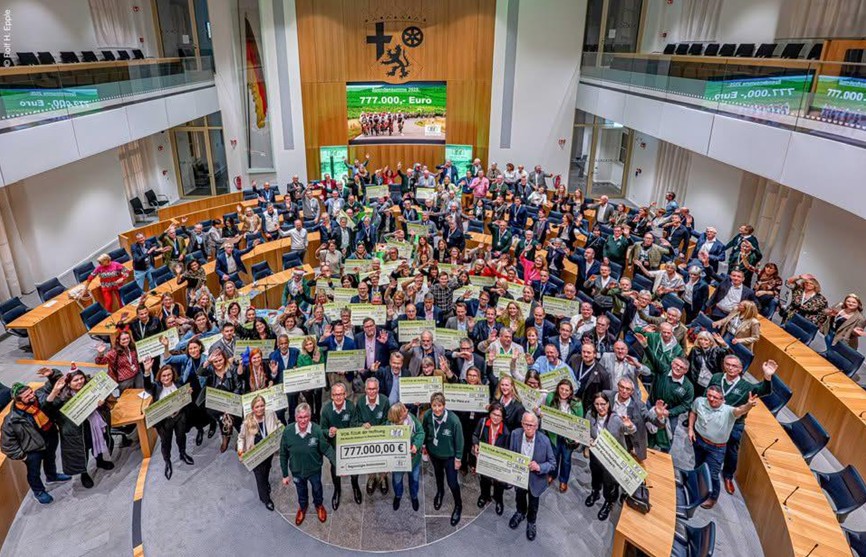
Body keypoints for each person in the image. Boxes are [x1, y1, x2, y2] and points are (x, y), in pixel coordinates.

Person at [708, 357, 775, 497]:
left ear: (740, 369)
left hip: (735, 422)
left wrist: (767, 376)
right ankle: (707, 468)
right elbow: (706, 396)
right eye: (727, 364)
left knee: (732, 450)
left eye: (734, 366)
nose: (730, 368)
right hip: (715, 418)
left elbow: (764, 390)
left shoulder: (746, 386)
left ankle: (728, 476)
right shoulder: (716, 378)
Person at [687, 386, 760, 509]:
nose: (711, 399)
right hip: (699, 441)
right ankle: (697, 487)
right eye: (709, 395)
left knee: (713, 474)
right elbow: (693, 412)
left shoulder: (728, 411)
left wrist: (748, 405)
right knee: (698, 466)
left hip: (716, 448)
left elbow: (740, 410)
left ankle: (712, 498)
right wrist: (690, 428)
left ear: (722, 399)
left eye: (715, 397)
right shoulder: (699, 401)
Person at [44, 370, 115, 490]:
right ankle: (84, 474)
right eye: (75, 380)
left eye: (81, 378)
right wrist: (54, 391)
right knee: (83, 451)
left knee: (97, 441)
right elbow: (48, 410)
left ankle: (100, 461)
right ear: (69, 383)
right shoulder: (63, 397)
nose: (80, 382)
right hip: (77, 431)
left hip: (94, 424)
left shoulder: (91, 388)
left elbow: (106, 398)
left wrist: (102, 403)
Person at [1, 382, 70, 504]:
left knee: (50, 459)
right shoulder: (11, 420)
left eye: (31, 392)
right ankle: (38, 491)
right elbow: (7, 445)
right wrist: (23, 456)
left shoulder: (38, 400)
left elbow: (50, 387)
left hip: (49, 437)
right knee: (34, 472)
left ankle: (52, 476)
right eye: (27, 396)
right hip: (32, 449)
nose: (32, 396)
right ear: (18, 400)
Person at [280, 403, 335, 525]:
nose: (303, 420)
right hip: (297, 471)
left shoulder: (317, 430)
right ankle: (303, 507)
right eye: (300, 417)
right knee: (301, 491)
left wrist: (339, 465)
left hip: (314, 470)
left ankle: (319, 505)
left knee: (317, 488)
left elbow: (326, 449)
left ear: (310, 417)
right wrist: (285, 474)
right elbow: (283, 454)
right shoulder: (288, 431)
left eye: (306, 417)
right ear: (295, 417)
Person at [507, 411, 556, 540]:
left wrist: (539, 467)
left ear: (536, 426)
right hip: (519, 477)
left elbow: (552, 464)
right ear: (522, 424)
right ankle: (520, 513)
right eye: (526, 424)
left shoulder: (544, 441)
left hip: (536, 479)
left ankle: (531, 522)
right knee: (519, 498)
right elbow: (511, 454)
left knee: (533, 503)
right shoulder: (515, 434)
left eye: (531, 425)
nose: (528, 428)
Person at [143, 359, 194, 479]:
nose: (166, 378)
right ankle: (167, 461)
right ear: (159, 377)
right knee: (166, 443)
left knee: (181, 437)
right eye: (164, 376)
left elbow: (185, 396)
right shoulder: (156, 387)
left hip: (179, 416)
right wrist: (147, 371)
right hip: (164, 421)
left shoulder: (179, 383)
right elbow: (147, 386)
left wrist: (188, 393)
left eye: (169, 375)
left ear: (173, 375)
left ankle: (182, 453)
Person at [586, 391, 633, 520]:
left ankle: (608, 502)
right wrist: (588, 439)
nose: (600, 407)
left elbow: (629, 430)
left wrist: (630, 426)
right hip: (595, 454)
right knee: (595, 475)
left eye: (603, 404)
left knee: (609, 482)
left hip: (611, 458)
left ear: (608, 404)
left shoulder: (616, 419)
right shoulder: (590, 415)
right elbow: (587, 431)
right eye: (597, 404)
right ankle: (595, 492)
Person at [422, 392, 464, 526]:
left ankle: (458, 505)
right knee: (438, 475)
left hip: (449, 457)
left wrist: (458, 458)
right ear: (431, 405)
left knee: (452, 482)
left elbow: (459, 440)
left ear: (444, 405)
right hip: (434, 454)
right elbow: (424, 431)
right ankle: (440, 492)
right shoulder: (427, 415)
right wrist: (424, 446)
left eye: (439, 405)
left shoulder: (453, 420)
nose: (437, 409)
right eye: (434, 406)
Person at [237, 395, 281, 510]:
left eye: (262, 406)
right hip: (255, 454)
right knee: (260, 477)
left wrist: (280, 429)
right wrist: (240, 452)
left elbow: (277, 423)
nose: (260, 409)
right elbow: (241, 437)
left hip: (269, 451)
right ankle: (265, 499)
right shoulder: (247, 422)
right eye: (257, 407)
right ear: (253, 408)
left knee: (267, 469)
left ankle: (266, 483)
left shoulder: (270, 414)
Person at [196, 348, 243, 453]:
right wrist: (208, 361)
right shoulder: (211, 370)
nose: (218, 363)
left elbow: (238, 387)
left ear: (224, 359)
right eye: (215, 361)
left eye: (220, 360)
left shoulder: (232, 369)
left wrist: (230, 404)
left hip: (232, 401)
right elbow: (199, 372)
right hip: (217, 402)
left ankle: (241, 438)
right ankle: (226, 437)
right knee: (222, 420)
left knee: (237, 421)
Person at [351, 378, 391, 496]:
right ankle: (372, 477)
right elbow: (356, 421)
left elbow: (389, 420)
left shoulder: (385, 401)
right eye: (369, 389)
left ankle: (383, 478)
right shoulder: (360, 402)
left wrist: (378, 430)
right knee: (369, 461)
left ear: (378, 389)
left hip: (382, 437)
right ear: (365, 389)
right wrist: (362, 425)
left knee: (383, 461)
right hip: (367, 438)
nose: (372, 391)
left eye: (374, 389)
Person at [543, 379, 583, 493]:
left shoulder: (577, 403)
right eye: (562, 389)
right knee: (553, 456)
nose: (564, 392)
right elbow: (547, 413)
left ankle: (563, 480)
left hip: (568, 437)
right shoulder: (551, 398)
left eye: (567, 390)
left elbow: (580, 422)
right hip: (554, 435)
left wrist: (577, 438)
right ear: (558, 388)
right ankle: (552, 474)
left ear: (571, 392)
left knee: (566, 460)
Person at [472, 402, 510, 515]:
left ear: (502, 417)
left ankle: (498, 500)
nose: (495, 417)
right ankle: (484, 496)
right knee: (484, 480)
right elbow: (475, 435)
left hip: (498, 462)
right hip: (484, 459)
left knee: (498, 483)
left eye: (499, 415)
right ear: (489, 413)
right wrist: (476, 444)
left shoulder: (506, 432)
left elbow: (507, 450)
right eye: (493, 414)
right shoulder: (483, 422)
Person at [387, 402, 425, 511]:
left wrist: (416, 445)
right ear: (398, 416)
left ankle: (414, 496)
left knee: (414, 479)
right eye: (404, 410)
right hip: (397, 462)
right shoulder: (388, 426)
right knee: (397, 480)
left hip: (414, 460)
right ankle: (398, 495)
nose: (407, 410)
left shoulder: (411, 419)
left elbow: (421, 432)